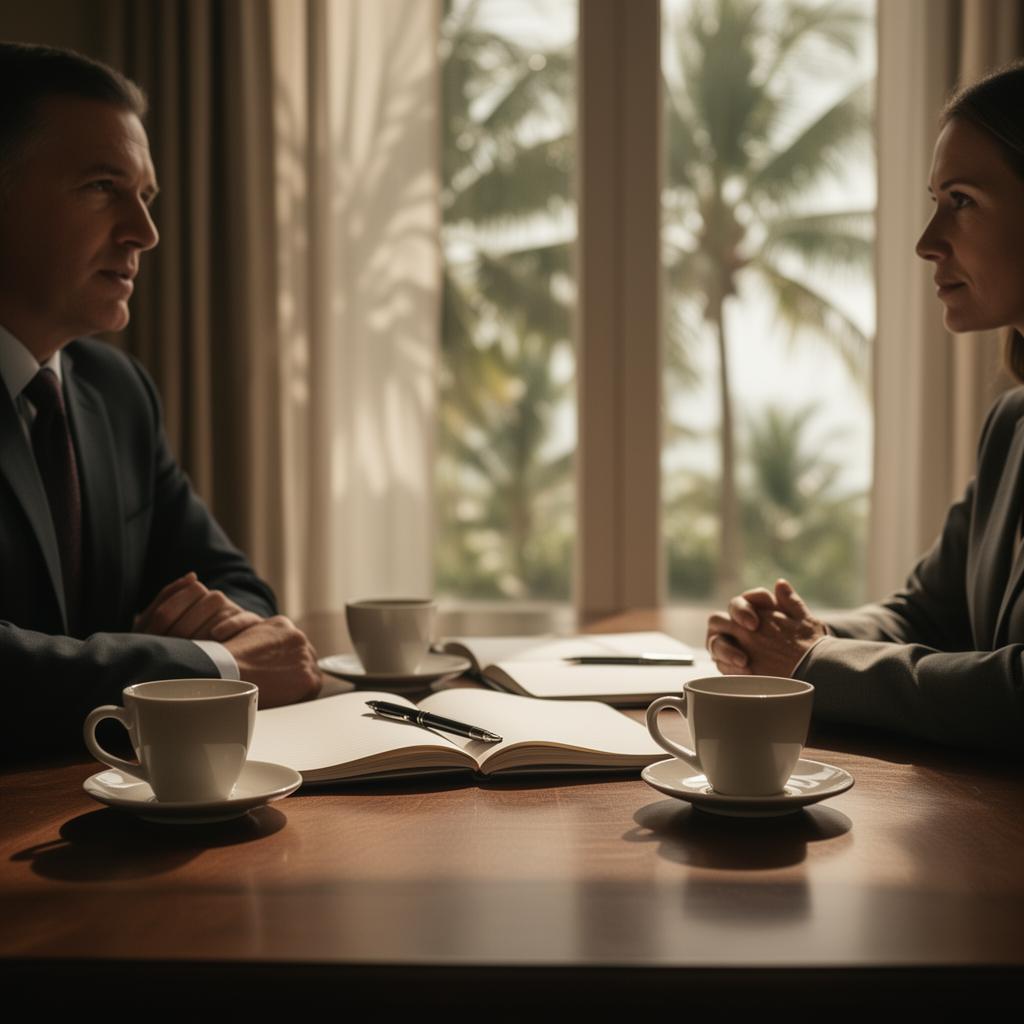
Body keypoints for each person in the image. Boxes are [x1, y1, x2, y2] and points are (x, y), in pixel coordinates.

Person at [0, 43, 320, 755]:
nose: (144, 234)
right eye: (101, 186)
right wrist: (211, 667)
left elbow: (236, 587)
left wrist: (217, 640)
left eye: (145, 197)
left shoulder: (118, 391)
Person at [705, 61, 1024, 754]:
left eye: (961, 200)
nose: (926, 241)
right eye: (935, 200)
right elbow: (928, 616)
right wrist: (790, 639)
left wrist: (814, 662)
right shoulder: (1012, 426)